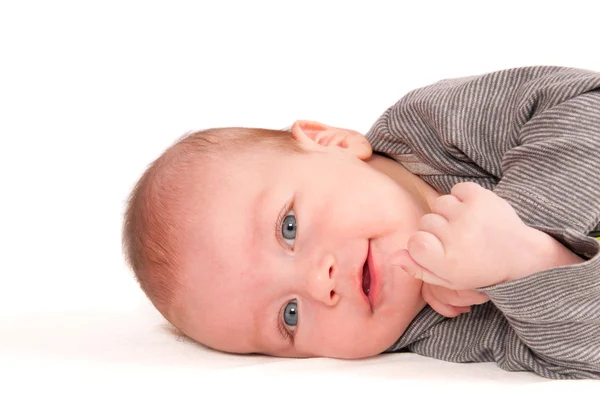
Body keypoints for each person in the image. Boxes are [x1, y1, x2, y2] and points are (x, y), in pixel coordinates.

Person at [122, 66, 600, 379]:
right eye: (290, 316)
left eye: (288, 228)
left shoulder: (435, 127)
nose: (317, 281)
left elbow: (588, 106)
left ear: (331, 142)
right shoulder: (441, 331)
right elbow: (583, 353)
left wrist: (521, 219)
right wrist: (524, 266)